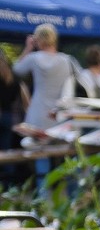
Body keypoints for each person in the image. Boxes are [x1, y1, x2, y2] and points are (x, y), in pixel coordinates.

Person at [12, 24, 81, 185]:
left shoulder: (33, 58)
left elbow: (16, 70)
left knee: (40, 156)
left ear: (38, 40)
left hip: (38, 115)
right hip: (61, 115)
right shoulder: (67, 60)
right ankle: (71, 198)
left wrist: (28, 48)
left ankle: (43, 200)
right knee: (66, 156)